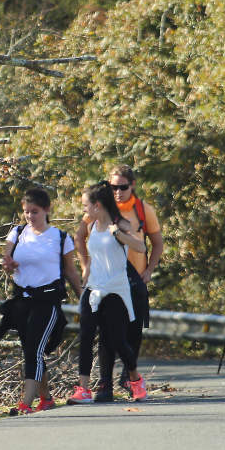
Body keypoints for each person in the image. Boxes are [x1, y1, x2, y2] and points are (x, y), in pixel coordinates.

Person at [72, 164, 164, 397]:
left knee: (118, 339)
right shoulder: (91, 220)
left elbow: (143, 245)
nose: (118, 191)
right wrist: (85, 268)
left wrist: (119, 235)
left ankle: (133, 378)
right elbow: (81, 240)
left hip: (120, 285)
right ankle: (85, 388)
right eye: (113, 186)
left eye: (122, 186)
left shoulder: (132, 216)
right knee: (85, 336)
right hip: (95, 285)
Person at [1, 188, 83, 415]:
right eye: (26, 212)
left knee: (34, 350)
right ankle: (46, 398)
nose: (29, 216)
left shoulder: (60, 238)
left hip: (47, 300)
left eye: (34, 212)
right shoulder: (16, 233)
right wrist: (8, 266)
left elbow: (71, 272)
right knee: (31, 350)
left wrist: (83, 298)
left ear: (46, 210)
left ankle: (25, 403)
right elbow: (6, 263)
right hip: (22, 300)